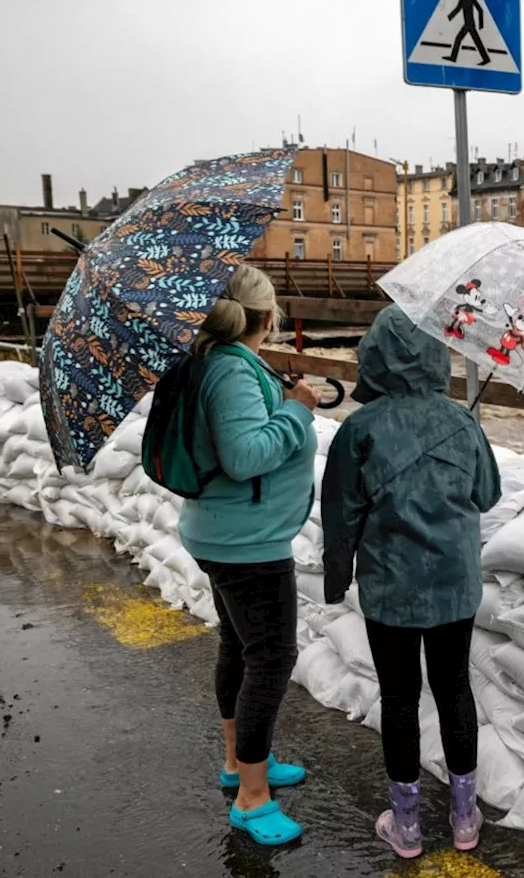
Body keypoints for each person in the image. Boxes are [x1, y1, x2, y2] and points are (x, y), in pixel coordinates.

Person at [322, 305, 501, 860]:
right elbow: (487, 495)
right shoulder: (462, 421)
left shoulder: (359, 430)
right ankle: (465, 817)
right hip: (454, 586)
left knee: (399, 700)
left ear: (371, 359)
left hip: (390, 588)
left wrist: (337, 579)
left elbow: (340, 516)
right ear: (433, 358)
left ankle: (406, 826)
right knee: (454, 691)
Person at [177, 264, 321, 846]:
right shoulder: (231, 369)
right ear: (266, 317)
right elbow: (243, 456)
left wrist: (282, 397)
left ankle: (240, 764)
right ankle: (253, 798)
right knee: (271, 658)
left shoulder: (215, 360)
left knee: (239, 647)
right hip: (247, 543)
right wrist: (296, 411)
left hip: (225, 532)